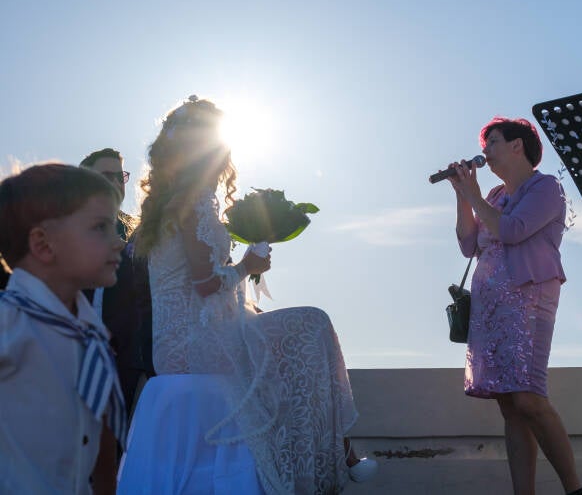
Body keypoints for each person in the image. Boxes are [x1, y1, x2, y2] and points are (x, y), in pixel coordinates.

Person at [132, 96, 376, 494]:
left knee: (281, 332)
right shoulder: (192, 204)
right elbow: (205, 285)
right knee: (312, 323)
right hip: (194, 345)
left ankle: (337, 452)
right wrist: (247, 267)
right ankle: (332, 457)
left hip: (177, 343)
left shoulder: (169, 203)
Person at [447, 117, 579, 494]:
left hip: (529, 298)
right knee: (508, 402)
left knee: (529, 396)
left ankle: (575, 489)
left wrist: (472, 194)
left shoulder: (545, 188)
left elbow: (513, 231)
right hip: (490, 306)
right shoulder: (492, 197)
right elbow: (468, 244)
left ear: (518, 145)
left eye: (493, 143)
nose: (485, 152)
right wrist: (463, 194)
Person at [0, 163, 127, 494]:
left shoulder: (92, 337)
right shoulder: (8, 324)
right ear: (43, 245)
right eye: (100, 227)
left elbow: (102, 446)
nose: (117, 243)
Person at [80, 148, 155, 414]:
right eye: (106, 176)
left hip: (131, 371)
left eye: (119, 176)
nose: (114, 182)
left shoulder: (140, 238)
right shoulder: (62, 235)